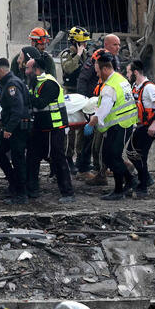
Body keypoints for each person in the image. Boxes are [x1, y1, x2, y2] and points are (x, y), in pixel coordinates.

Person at [85, 51, 137, 199]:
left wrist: (91, 123)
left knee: (112, 157)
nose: (97, 75)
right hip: (124, 124)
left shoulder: (109, 87)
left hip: (119, 125)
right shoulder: (120, 79)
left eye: (98, 72)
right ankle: (128, 182)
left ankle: (121, 188)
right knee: (111, 157)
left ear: (105, 69)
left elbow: (103, 111)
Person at [27, 51, 75, 203]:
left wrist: (24, 95)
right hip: (40, 128)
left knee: (58, 159)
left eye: (28, 69)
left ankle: (68, 193)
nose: (26, 71)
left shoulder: (50, 83)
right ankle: (32, 190)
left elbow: (40, 103)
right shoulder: (35, 82)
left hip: (54, 128)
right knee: (32, 158)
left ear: (36, 70)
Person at [75, 35, 123, 184]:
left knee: (101, 140)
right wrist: (85, 102)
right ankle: (83, 168)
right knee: (88, 139)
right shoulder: (95, 59)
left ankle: (100, 168)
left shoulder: (114, 59)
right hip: (93, 104)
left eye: (119, 44)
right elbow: (82, 79)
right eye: (115, 44)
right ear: (106, 45)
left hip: (106, 104)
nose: (118, 47)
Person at [0, 57, 32, 203]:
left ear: (2, 71)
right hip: (11, 125)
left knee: (18, 158)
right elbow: (8, 109)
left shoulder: (11, 85)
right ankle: (14, 183)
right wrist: (2, 121)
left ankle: (21, 194)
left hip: (17, 127)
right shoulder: (6, 83)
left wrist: (8, 128)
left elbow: (18, 109)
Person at [128, 59, 155, 196]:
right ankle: (146, 178)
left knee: (139, 156)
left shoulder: (149, 87)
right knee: (131, 153)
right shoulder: (135, 87)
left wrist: (154, 125)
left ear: (135, 72)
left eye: (128, 72)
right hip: (140, 126)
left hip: (149, 127)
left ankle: (143, 187)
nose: (127, 75)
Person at [61, 26, 92, 171]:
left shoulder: (87, 55)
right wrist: (78, 54)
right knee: (71, 129)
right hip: (70, 94)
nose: (85, 45)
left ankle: (80, 157)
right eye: (83, 43)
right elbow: (68, 68)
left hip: (82, 95)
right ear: (76, 43)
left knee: (82, 126)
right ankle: (68, 157)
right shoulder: (67, 54)